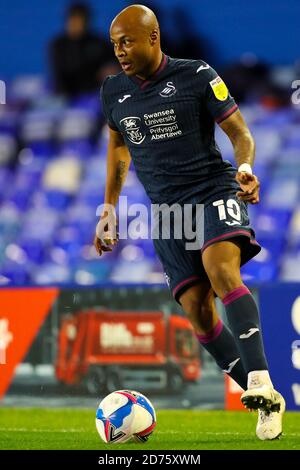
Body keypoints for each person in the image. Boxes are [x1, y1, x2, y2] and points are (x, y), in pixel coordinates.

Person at [94, 4, 285, 440]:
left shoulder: (197, 74)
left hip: (211, 191)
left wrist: (247, 167)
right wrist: (108, 208)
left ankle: (260, 379)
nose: (120, 51)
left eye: (127, 41)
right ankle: (265, 402)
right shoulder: (113, 91)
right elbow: (118, 147)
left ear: (153, 38)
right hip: (167, 213)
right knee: (198, 315)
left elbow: (240, 132)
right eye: (114, 44)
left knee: (221, 269)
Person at [50, 3, 116, 97]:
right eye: (73, 20)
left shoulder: (100, 43)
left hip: (97, 95)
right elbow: (61, 76)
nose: (76, 25)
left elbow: (113, 67)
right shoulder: (58, 45)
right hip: (66, 96)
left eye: (80, 21)